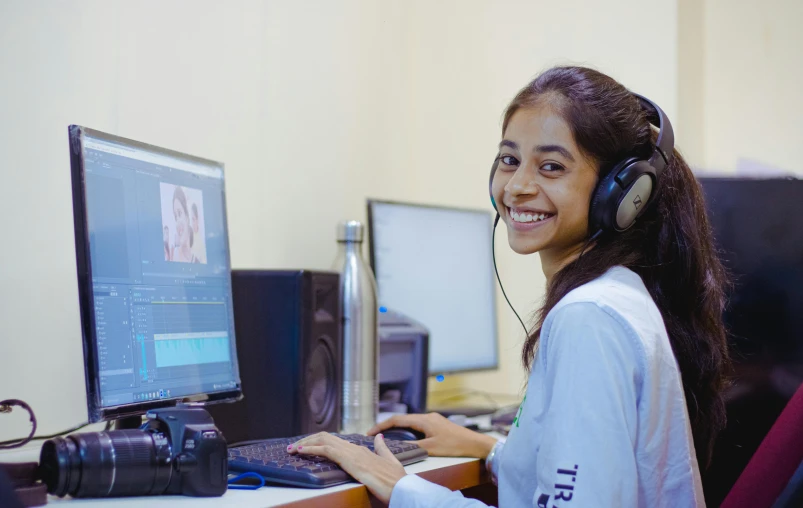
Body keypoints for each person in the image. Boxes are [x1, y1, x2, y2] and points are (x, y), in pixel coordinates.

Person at [288, 66, 730, 507]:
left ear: (621, 193)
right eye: (509, 159)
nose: (518, 187)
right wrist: (493, 450)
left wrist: (403, 488)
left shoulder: (588, 319)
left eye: (551, 167)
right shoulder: (617, 293)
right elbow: (581, 475)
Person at [170, 186, 200, 263]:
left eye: (179, 213)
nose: (177, 223)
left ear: (187, 217)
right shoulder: (173, 256)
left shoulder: (197, 261)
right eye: (175, 217)